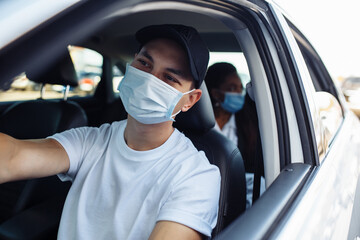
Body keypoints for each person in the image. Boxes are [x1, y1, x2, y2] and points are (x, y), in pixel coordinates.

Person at [0, 24, 221, 240]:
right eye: (144, 63)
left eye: (170, 78)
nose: (150, 80)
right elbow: (12, 157)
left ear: (190, 100)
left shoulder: (196, 176)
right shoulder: (90, 140)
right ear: (131, 64)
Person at [204, 62, 264, 208]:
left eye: (240, 88)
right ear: (215, 93)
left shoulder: (248, 125)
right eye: (232, 88)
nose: (238, 93)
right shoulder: (199, 123)